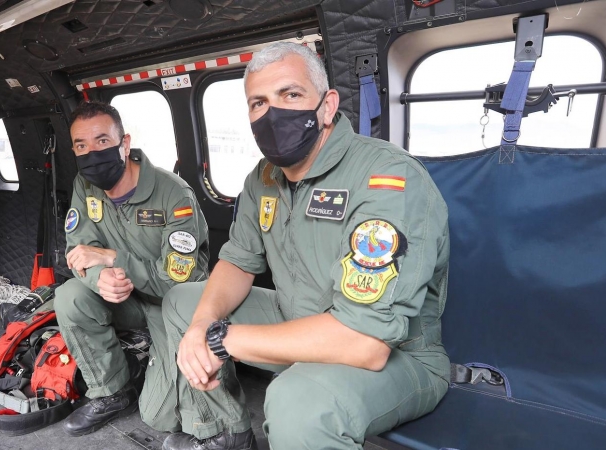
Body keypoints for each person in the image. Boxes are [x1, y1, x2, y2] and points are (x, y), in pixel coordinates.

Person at [161, 42, 450, 450]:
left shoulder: (387, 177)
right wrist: (200, 325)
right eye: (258, 102)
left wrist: (218, 339)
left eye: (291, 94)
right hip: (296, 317)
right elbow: (238, 262)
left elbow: (365, 342)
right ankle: (228, 430)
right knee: (182, 302)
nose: (272, 113)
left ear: (328, 105)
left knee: (298, 403)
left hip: (396, 354)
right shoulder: (262, 179)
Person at [55, 101, 210, 437]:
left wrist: (114, 260)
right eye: (81, 145)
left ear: (124, 144)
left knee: (161, 418)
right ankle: (111, 390)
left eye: (102, 141)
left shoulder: (173, 194)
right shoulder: (85, 186)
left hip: (171, 308)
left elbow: (179, 283)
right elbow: (78, 250)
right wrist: (101, 280)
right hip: (125, 300)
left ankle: (159, 361)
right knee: (70, 297)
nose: (91, 153)